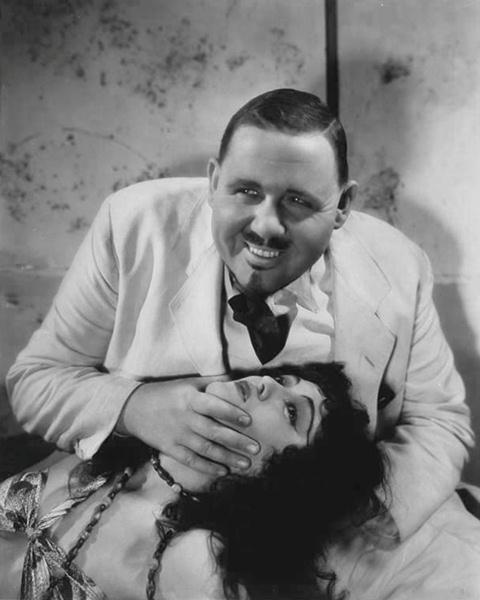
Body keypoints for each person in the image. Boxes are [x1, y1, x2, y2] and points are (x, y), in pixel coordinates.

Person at [5, 88, 474, 548]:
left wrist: (362, 522)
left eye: (298, 201)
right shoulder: (134, 225)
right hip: (139, 516)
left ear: (343, 207)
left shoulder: (400, 265)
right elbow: (36, 378)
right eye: (247, 191)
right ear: (213, 181)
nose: (266, 226)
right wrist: (134, 407)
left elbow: (439, 418)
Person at [0, 363, 386, 600]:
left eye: (291, 411)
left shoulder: (197, 560)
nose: (268, 384)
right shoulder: (117, 436)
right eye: (283, 378)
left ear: (286, 476)